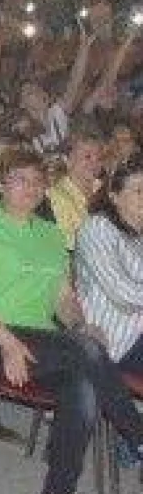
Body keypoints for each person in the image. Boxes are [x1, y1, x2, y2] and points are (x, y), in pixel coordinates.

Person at [0, 146, 143, 494]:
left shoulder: (50, 235)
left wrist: (82, 322)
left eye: (39, 182)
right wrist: (7, 343)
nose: (32, 188)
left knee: (85, 375)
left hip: (36, 340)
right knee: (86, 352)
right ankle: (137, 435)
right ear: (0, 183)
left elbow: (63, 300)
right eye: (21, 180)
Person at [75, 156, 143, 372]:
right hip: (117, 342)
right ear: (114, 196)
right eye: (139, 191)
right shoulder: (98, 228)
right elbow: (121, 293)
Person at [47, 123, 106, 249]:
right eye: (87, 156)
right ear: (67, 160)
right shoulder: (57, 195)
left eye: (99, 158)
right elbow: (68, 242)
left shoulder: (105, 189)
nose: (94, 163)